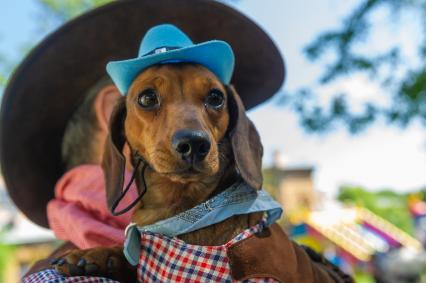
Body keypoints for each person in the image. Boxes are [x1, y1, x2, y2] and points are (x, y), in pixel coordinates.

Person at [0, 0, 284, 280]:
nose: (196, 134)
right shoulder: (57, 274)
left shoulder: (253, 233)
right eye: (149, 99)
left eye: (213, 99)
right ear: (117, 111)